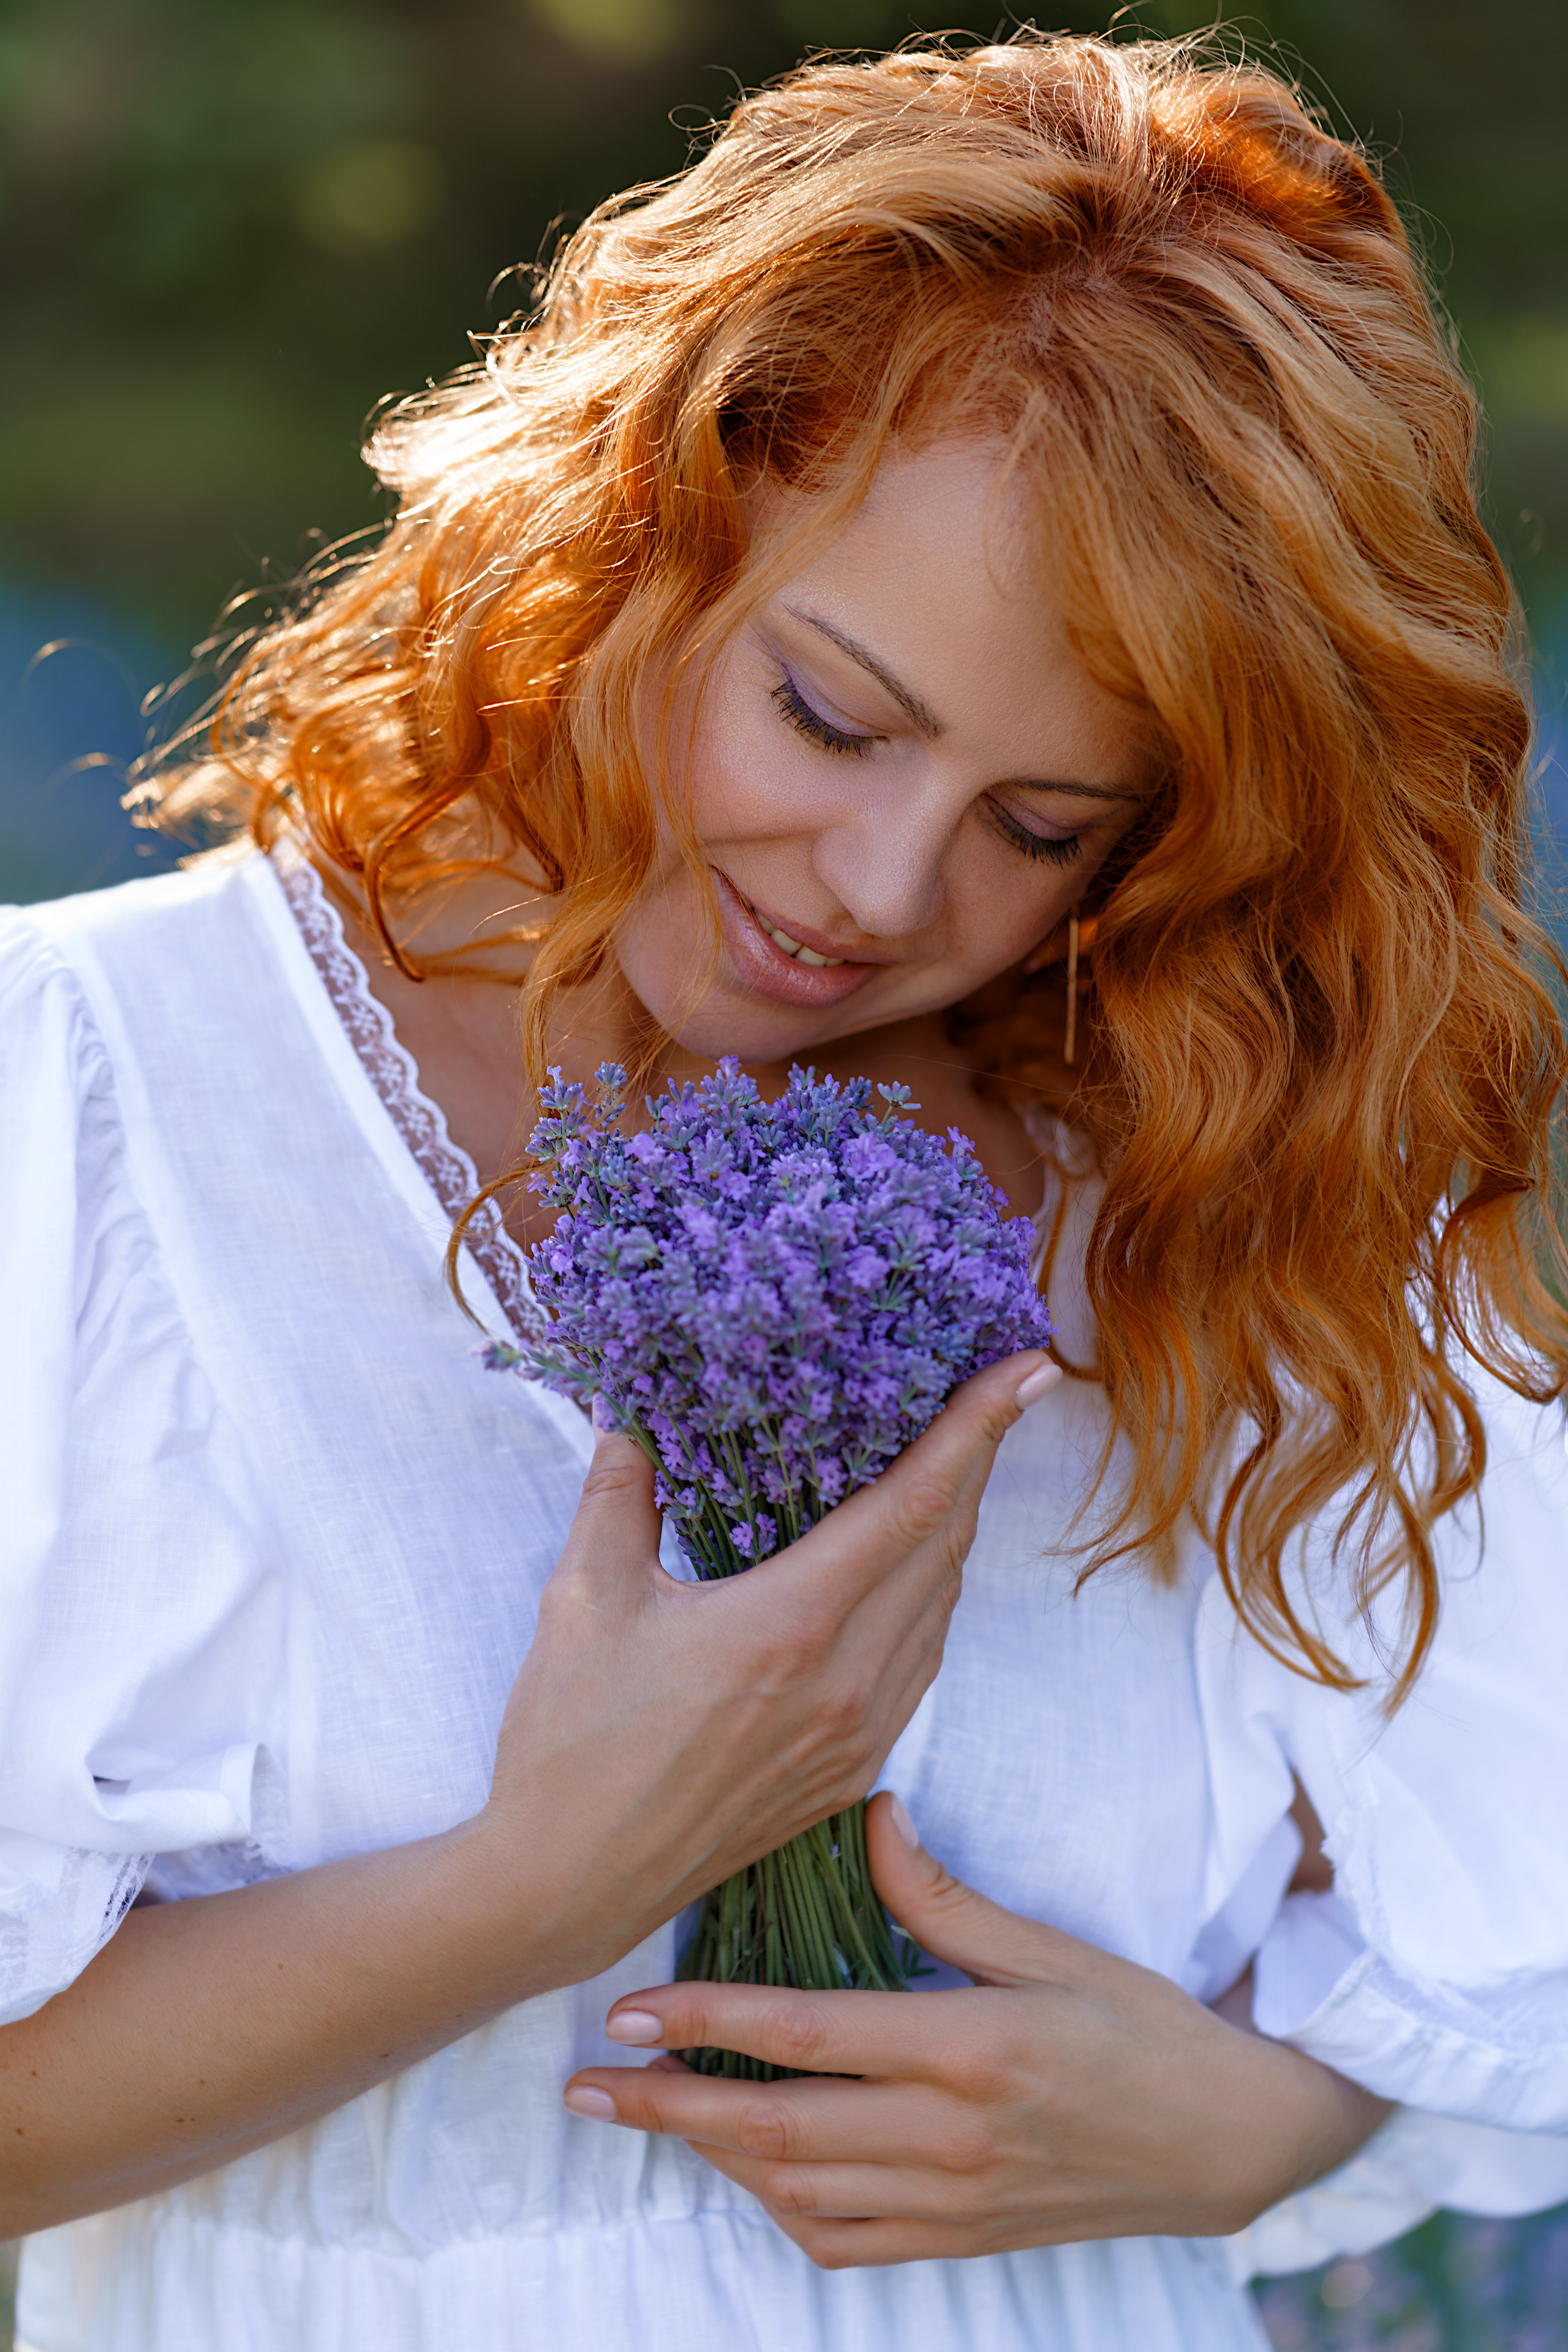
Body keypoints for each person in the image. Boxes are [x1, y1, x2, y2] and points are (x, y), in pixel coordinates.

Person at [2, 29, 1566, 2352]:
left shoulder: (1228, 1179)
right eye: (834, 715)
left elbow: (1484, 1952)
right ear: (649, 513)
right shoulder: (92, 1104)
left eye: (1050, 827)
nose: (878, 886)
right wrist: (554, 1879)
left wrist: (1256, 2133)